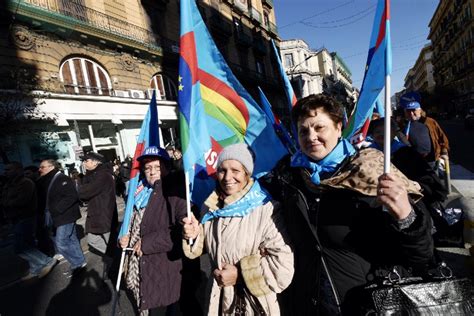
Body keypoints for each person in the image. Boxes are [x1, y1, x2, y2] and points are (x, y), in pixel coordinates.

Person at [264, 94, 434, 315]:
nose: (311, 137)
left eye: (319, 128)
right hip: (309, 304)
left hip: (369, 304)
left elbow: (422, 254)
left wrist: (406, 217)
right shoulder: (287, 176)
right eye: (303, 131)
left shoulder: (373, 170)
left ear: (337, 127)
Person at [182, 143, 294, 315]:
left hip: (252, 305)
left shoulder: (265, 209)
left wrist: (240, 274)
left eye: (235, 170)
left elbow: (283, 266)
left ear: (247, 174)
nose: (227, 177)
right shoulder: (210, 207)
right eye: (222, 170)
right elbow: (206, 247)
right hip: (217, 303)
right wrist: (194, 234)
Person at [119, 146, 189, 315]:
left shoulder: (175, 191)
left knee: (163, 307)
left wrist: (148, 243)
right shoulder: (139, 189)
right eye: (148, 168)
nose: (152, 172)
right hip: (138, 260)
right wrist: (123, 234)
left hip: (162, 265)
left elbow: (182, 231)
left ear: (167, 167)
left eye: (158, 167)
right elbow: (131, 218)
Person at [1, 162, 57, 279]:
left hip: (25, 217)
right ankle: (35, 268)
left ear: (17, 170)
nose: (5, 172)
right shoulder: (9, 184)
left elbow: (21, 201)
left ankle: (46, 261)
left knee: (20, 247)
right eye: (5, 170)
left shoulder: (26, 183)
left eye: (8, 169)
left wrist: (6, 203)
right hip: (15, 218)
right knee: (29, 244)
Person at [37, 159, 87, 277]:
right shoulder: (46, 180)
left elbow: (71, 196)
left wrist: (56, 209)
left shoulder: (62, 179)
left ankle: (76, 263)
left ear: (51, 167)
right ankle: (80, 263)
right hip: (59, 216)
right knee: (71, 239)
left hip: (65, 215)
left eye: (42, 167)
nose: (39, 169)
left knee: (61, 242)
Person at [78, 152, 117, 278]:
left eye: (86, 160)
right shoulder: (93, 175)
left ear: (96, 162)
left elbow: (85, 192)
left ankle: (116, 263)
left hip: (105, 214)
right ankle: (114, 258)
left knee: (109, 241)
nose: (84, 163)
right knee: (93, 240)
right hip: (97, 213)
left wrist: (78, 188)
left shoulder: (103, 175)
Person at [402, 98, 450, 171]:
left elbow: (442, 137)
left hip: (431, 161)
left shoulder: (429, 122)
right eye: (408, 111)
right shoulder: (403, 125)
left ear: (420, 110)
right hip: (413, 162)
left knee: (433, 180)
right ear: (405, 112)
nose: (411, 113)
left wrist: (444, 152)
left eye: (414, 110)